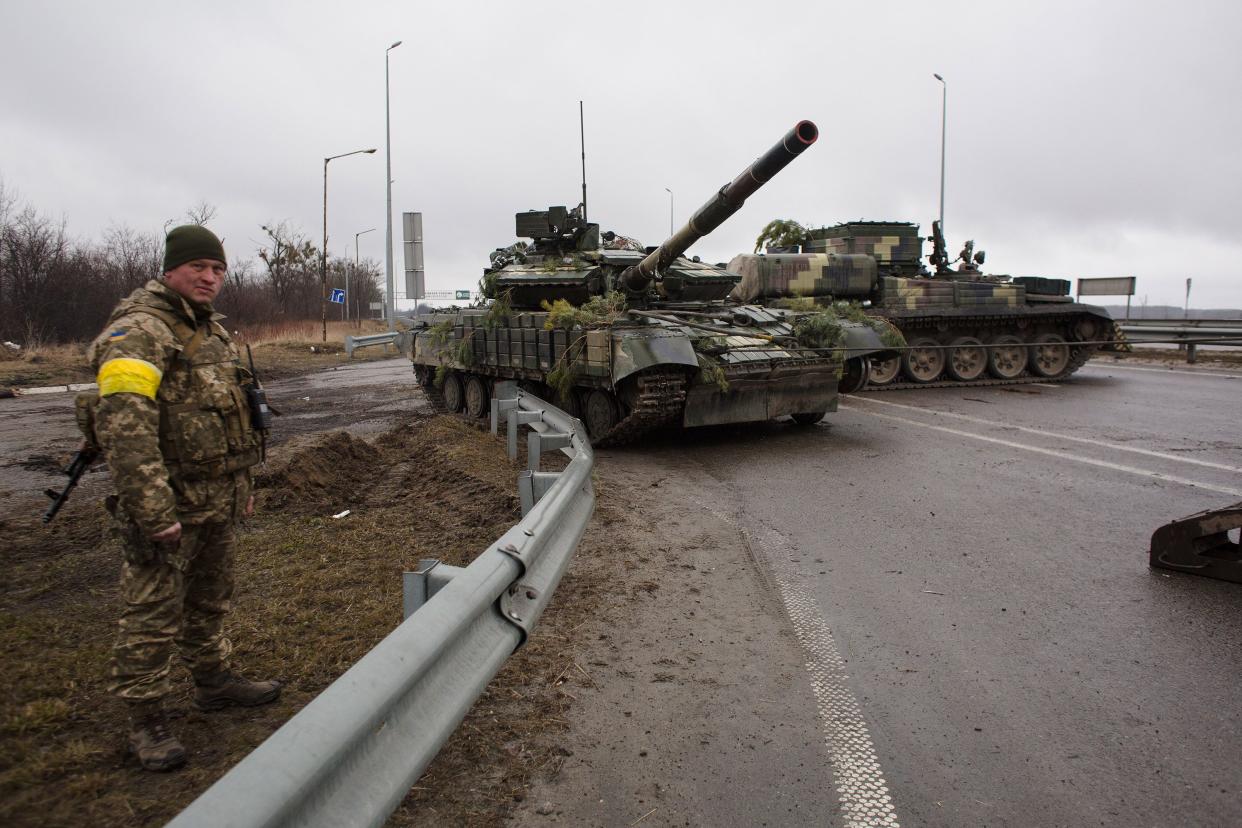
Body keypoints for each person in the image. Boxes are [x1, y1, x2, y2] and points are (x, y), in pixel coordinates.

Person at [87, 224, 280, 772]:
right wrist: (152, 509)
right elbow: (127, 428)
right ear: (171, 269)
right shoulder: (139, 332)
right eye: (199, 267)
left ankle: (212, 680)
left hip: (217, 495)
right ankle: (145, 719)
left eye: (218, 270)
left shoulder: (212, 332)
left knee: (210, 596)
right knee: (153, 610)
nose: (210, 278)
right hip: (169, 503)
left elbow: (234, 413)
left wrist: (243, 487)